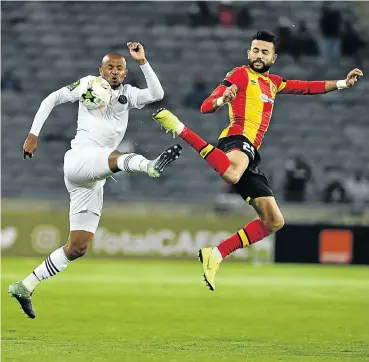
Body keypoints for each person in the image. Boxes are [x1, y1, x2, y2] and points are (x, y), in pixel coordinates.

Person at [152, 30, 363, 291]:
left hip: (251, 153)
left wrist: (343, 83)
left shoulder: (274, 82)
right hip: (236, 139)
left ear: (273, 57)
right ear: (248, 53)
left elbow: (307, 88)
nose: (259, 55)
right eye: (255, 50)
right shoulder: (239, 74)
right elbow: (206, 106)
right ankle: (180, 129)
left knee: (274, 220)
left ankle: (216, 254)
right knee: (231, 174)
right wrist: (222, 98)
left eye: (265, 52)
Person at [8, 42, 182, 318]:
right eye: (109, 67)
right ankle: (150, 166)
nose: (114, 72)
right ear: (100, 70)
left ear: (125, 74)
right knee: (116, 156)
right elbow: (51, 98)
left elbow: (157, 93)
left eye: (119, 68)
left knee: (77, 247)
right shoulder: (88, 84)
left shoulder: (128, 95)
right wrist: (33, 134)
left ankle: (25, 285)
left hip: (92, 180)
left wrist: (143, 61)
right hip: (80, 160)